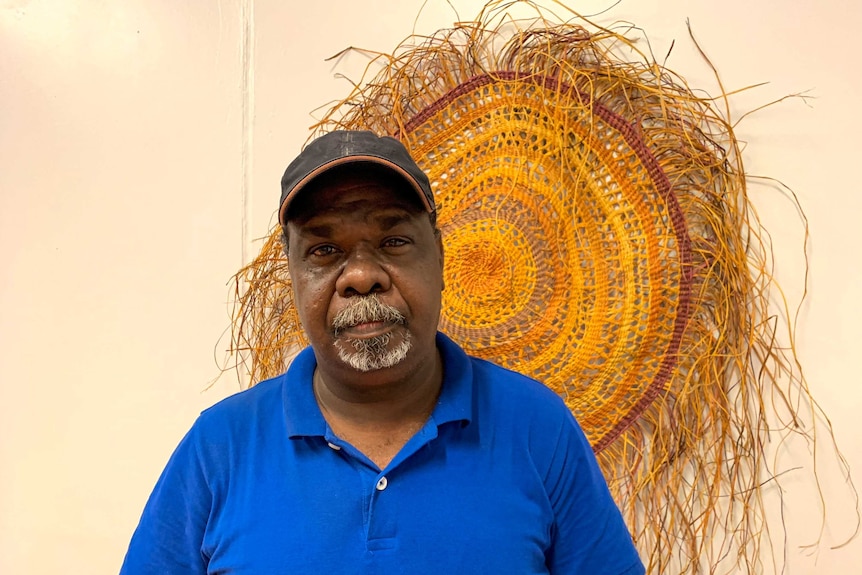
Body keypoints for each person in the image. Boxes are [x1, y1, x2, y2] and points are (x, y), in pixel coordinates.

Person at [120, 130, 646, 574]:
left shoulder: (537, 427)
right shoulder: (220, 447)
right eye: (324, 251)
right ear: (294, 275)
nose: (362, 276)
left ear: (439, 256)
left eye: (393, 242)